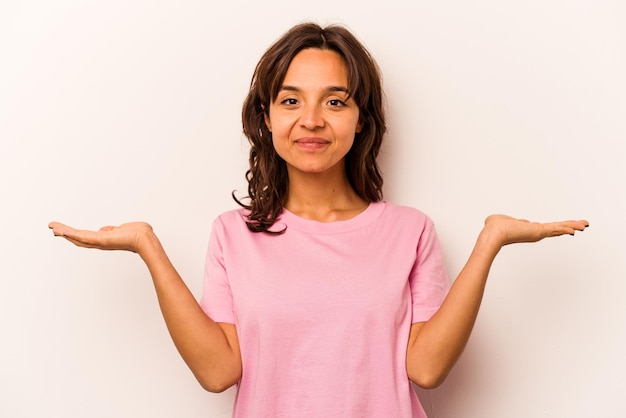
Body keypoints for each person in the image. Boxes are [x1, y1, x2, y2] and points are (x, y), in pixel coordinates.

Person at [48, 22, 588, 418]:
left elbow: (426, 369)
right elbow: (218, 373)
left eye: (335, 101)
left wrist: (490, 241)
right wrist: (147, 246)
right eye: (290, 100)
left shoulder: (411, 230)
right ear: (266, 117)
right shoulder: (232, 235)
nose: (311, 120)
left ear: (361, 120)